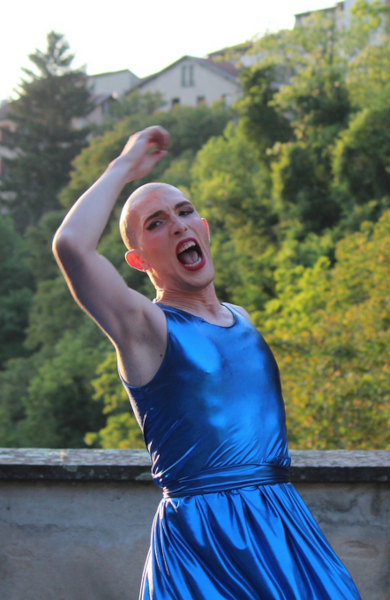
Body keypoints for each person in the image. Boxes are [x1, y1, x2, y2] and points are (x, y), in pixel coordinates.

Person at [53, 126, 362, 599]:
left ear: (204, 228)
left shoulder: (242, 318)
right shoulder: (146, 328)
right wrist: (123, 166)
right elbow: (72, 246)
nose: (178, 225)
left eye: (184, 212)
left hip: (284, 528)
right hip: (204, 545)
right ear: (138, 261)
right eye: (156, 223)